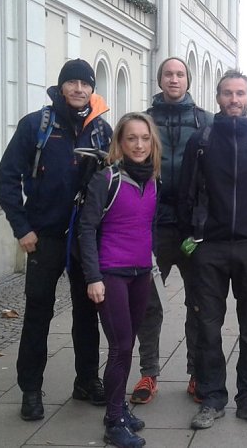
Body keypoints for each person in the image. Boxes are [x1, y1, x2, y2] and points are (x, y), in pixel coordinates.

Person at [0, 59, 112, 421]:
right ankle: (31, 389)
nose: (79, 89)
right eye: (72, 82)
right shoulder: (37, 125)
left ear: (93, 90)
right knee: (38, 313)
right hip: (44, 235)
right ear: (61, 87)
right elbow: (7, 176)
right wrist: (21, 227)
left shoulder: (103, 131)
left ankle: (87, 380)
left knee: (87, 313)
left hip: (84, 238)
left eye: (85, 84)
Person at [178, 69, 247, 430]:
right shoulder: (202, 139)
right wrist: (191, 237)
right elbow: (186, 191)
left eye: (240, 93)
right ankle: (212, 396)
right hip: (210, 248)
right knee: (208, 327)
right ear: (218, 98)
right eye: (227, 93)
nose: (234, 100)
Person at [131, 57, 211, 405]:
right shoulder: (145, 121)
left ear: (188, 80)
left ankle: (196, 373)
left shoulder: (205, 121)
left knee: (199, 303)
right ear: (160, 79)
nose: (174, 79)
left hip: (194, 229)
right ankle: (149, 373)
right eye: (168, 74)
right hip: (155, 225)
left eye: (179, 74)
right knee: (147, 301)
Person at [79, 112, 160, 448]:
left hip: (141, 273)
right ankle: (113, 421)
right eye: (131, 138)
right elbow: (86, 228)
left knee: (128, 346)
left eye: (144, 138)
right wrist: (93, 277)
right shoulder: (107, 178)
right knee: (120, 347)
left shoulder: (154, 179)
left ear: (152, 142)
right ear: (120, 143)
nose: (138, 144)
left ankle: (120, 410)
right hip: (111, 274)